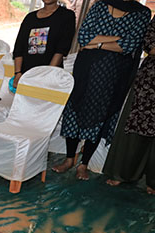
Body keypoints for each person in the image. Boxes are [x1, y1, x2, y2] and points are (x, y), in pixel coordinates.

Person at [52, 0, 150, 180]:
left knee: (100, 117)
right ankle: (69, 159)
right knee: (74, 111)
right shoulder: (100, 5)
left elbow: (129, 45)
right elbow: (83, 36)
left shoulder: (141, 13)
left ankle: (84, 164)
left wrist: (96, 43)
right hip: (85, 70)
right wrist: (116, 39)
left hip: (113, 76)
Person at [103, 16, 155, 195]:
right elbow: (150, 45)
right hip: (150, 82)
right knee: (135, 127)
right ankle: (123, 173)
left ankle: (153, 181)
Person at [11, 0, 76, 88]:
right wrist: (18, 73)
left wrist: (46, 75)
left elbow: (61, 50)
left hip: (50, 77)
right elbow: (19, 48)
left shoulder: (67, 16)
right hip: (26, 75)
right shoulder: (30, 18)